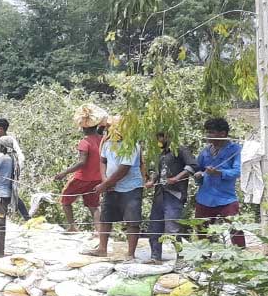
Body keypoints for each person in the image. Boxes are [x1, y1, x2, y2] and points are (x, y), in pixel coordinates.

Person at [85, 118, 143, 258]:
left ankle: (130, 254)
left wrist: (105, 185)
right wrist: (105, 180)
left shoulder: (131, 145)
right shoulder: (107, 143)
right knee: (106, 218)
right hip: (111, 187)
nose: (108, 130)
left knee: (132, 221)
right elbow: (103, 161)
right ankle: (102, 249)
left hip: (131, 187)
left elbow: (124, 168)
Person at [54, 103, 107, 233]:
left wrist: (64, 173)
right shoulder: (102, 140)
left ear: (82, 128)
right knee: (94, 205)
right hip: (97, 178)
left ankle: (72, 226)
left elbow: (82, 162)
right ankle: (99, 232)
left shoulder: (84, 142)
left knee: (65, 199)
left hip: (82, 178)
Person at [194, 117, 246, 247]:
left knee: (235, 229)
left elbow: (238, 171)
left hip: (226, 198)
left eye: (211, 132)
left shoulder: (235, 150)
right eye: (207, 132)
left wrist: (220, 173)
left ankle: (240, 259)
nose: (207, 135)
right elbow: (198, 169)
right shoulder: (205, 151)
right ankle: (204, 259)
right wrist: (198, 175)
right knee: (201, 230)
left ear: (222, 134)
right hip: (205, 197)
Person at [146, 131, 195, 263]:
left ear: (168, 136)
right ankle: (155, 256)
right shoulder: (161, 153)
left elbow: (192, 166)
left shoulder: (180, 149)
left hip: (174, 194)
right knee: (155, 226)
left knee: (173, 228)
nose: (159, 139)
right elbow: (158, 172)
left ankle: (181, 258)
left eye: (160, 136)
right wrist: (152, 180)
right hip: (160, 194)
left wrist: (176, 178)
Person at [0, 117, 29, 219]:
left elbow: (20, 157)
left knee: (12, 196)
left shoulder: (10, 141)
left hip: (4, 176)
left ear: (1, 129)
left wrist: (14, 173)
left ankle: (26, 217)